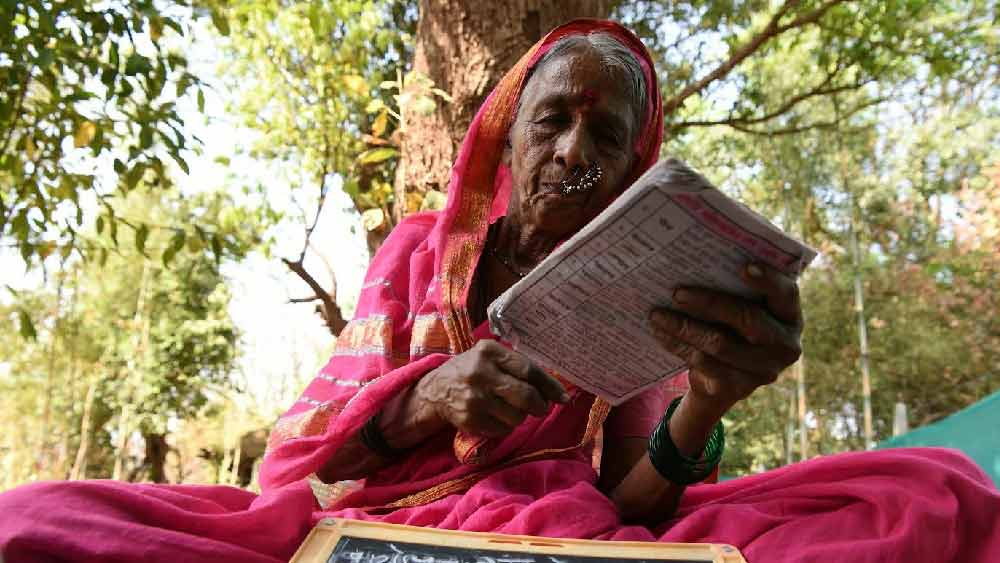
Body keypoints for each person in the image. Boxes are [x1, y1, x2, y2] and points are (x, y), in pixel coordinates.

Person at [1, 19, 997, 563]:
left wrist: (708, 401)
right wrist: (426, 398)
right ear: (504, 138)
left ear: (634, 162)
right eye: (555, 118)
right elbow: (292, 469)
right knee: (41, 517)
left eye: (608, 136)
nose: (576, 149)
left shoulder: (659, 287)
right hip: (370, 522)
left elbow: (630, 501)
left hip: (564, 524)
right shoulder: (417, 252)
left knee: (932, 493)